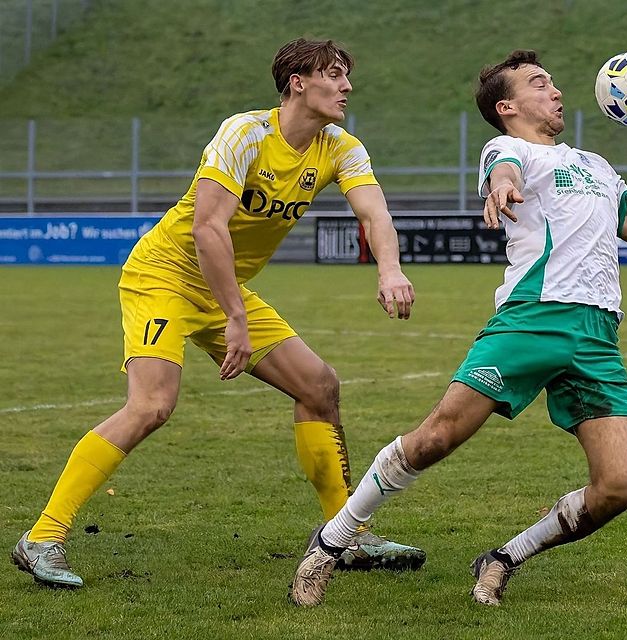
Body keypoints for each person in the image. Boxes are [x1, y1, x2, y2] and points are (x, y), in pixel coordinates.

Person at [286, 49, 627, 607]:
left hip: (597, 337)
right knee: (436, 438)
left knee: (620, 486)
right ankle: (330, 544)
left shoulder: (599, 169)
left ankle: (503, 558)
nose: (556, 91)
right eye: (539, 83)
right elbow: (504, 169)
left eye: (553, 81)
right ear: (507, 106)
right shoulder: (510, 148)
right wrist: (501, 183)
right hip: (532, 319)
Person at [11, 38, 426, 590]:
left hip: (223, 287)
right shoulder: (244, 133)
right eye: (334, 74)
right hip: (165, 274)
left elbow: (375, 213)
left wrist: (389, 269)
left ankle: (343, 533)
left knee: (319, 387)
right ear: (298, 82)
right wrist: (234, 316)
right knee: (153, 404)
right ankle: (43, 535)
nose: (347, 86)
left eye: (347, 75)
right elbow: (208, 228)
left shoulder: (340, 146)